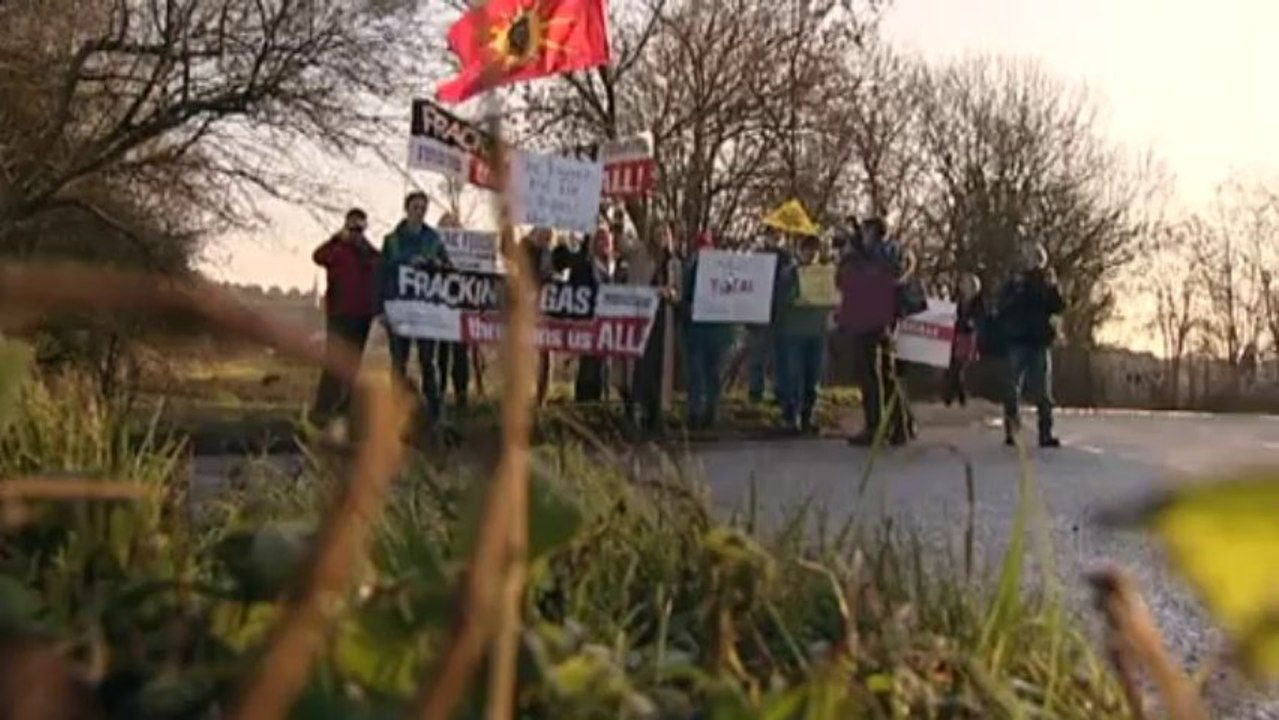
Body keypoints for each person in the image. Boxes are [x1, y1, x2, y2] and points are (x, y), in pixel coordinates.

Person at [836, 216, 916, 446]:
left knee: (870, 374)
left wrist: (853, 254)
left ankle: (875, 427)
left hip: (871, 318)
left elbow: (856, 278)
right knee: (886, 374)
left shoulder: (881, 255)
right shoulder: (890, 253)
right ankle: (899, 425)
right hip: (879, 318)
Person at [376, 190, 451, 423]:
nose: (419, 212)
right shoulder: (392, 240)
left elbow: (449, 269)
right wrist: (380, 309)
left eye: (423, 208)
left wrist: (436, 264)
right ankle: (395, 411)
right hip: (398, 309)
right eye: (415, 207)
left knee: (428, 361)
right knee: (399, 360)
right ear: (406, 209)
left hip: (426, 310)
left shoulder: (434, 239)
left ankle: (434, 412)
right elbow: (381, 275)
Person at [310, 208, 379, 429]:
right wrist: (335, 238)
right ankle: (321, 410)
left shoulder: (370, 253)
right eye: (352, 228)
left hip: (363, 316)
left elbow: (383, 266)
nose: (356, 232)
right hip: (340, 315)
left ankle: (344, 411)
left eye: (360, 228)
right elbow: (317, 256)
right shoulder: (336, 249)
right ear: (345, 226)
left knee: (353, 365)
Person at [997, 241, 1065, 448]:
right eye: (1029, 257)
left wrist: (1053, 288)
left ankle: (1045, 432)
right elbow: (1002, 307)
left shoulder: (1046, 281)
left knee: (1043, 391)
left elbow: (1059, 307)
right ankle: (1013, 431)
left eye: (1035, 257)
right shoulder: (1014, 281)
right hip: (1018, 340)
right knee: (1012, 388)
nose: (1031, 261)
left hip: (1039, 341)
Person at [628, 222, 682, 435]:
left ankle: (656, 415)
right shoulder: (642, 255)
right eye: (658, 233)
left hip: (663, 318)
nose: (662, 238)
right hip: (644, 317)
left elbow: (679, 291)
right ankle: (637, 411)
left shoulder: (674, 263)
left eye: (665, 234)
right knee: (642, 365)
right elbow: (624, 247)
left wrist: (670, 294)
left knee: (660, 367)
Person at [776, 234, 832, 434]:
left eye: (815, 251)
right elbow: (781, 299)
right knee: (794, 375)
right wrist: (795, 299)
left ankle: (808, 416)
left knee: (813, 377)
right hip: (795, 331)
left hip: (816, 331)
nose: (811, 255)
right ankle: (791, 416)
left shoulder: (825, 274)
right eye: (808, 250)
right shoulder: (790, 273)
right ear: (800, 251)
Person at [683, 232, 733, 429]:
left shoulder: (723, 270)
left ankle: (711, 411)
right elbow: (684, 297)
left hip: (717, 331)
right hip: (697, 330)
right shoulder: (691, 268)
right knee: (697, 373)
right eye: (702, 247)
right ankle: (695, 412)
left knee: (713, 373)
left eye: (708, 247)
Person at [571, 227, 626, 403]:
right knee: (588, 365)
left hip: (611, 323)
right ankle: (584, 402)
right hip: (589, 321)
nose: (604, 243)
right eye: (600, 239)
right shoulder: (585, 266)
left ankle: (603, 400)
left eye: (607, 240)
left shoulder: (618, 267)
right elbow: (574, 288)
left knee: (606, 366)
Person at [746, 231, 790, 404]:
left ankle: (779, 392)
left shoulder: (785, 258)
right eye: (770, 235)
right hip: (758, 316)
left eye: (776, 236)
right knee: (756, 356)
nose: (773, 239)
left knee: (779, 357)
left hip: (778, 314)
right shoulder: (757, 256)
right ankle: (755, 392)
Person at [434, 212, 470, 411]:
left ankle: (461, 396)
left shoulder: (468, 250)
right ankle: (439, 394)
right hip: (439, 309)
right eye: (447, 226)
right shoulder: (433, 246)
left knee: (460, 357)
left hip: (460, 311)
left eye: (454, 226)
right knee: (441, 356)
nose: (451, 229)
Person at [942, 272, 985, 408]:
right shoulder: (958, 300)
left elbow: (981, 318)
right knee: (953, 365)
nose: (962, 285)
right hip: (956, 334)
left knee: (959, 366)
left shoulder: (978, 302)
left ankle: (954, 395)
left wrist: (972, 322)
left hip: (968, 336)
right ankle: (956, 395)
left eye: (965, 283)